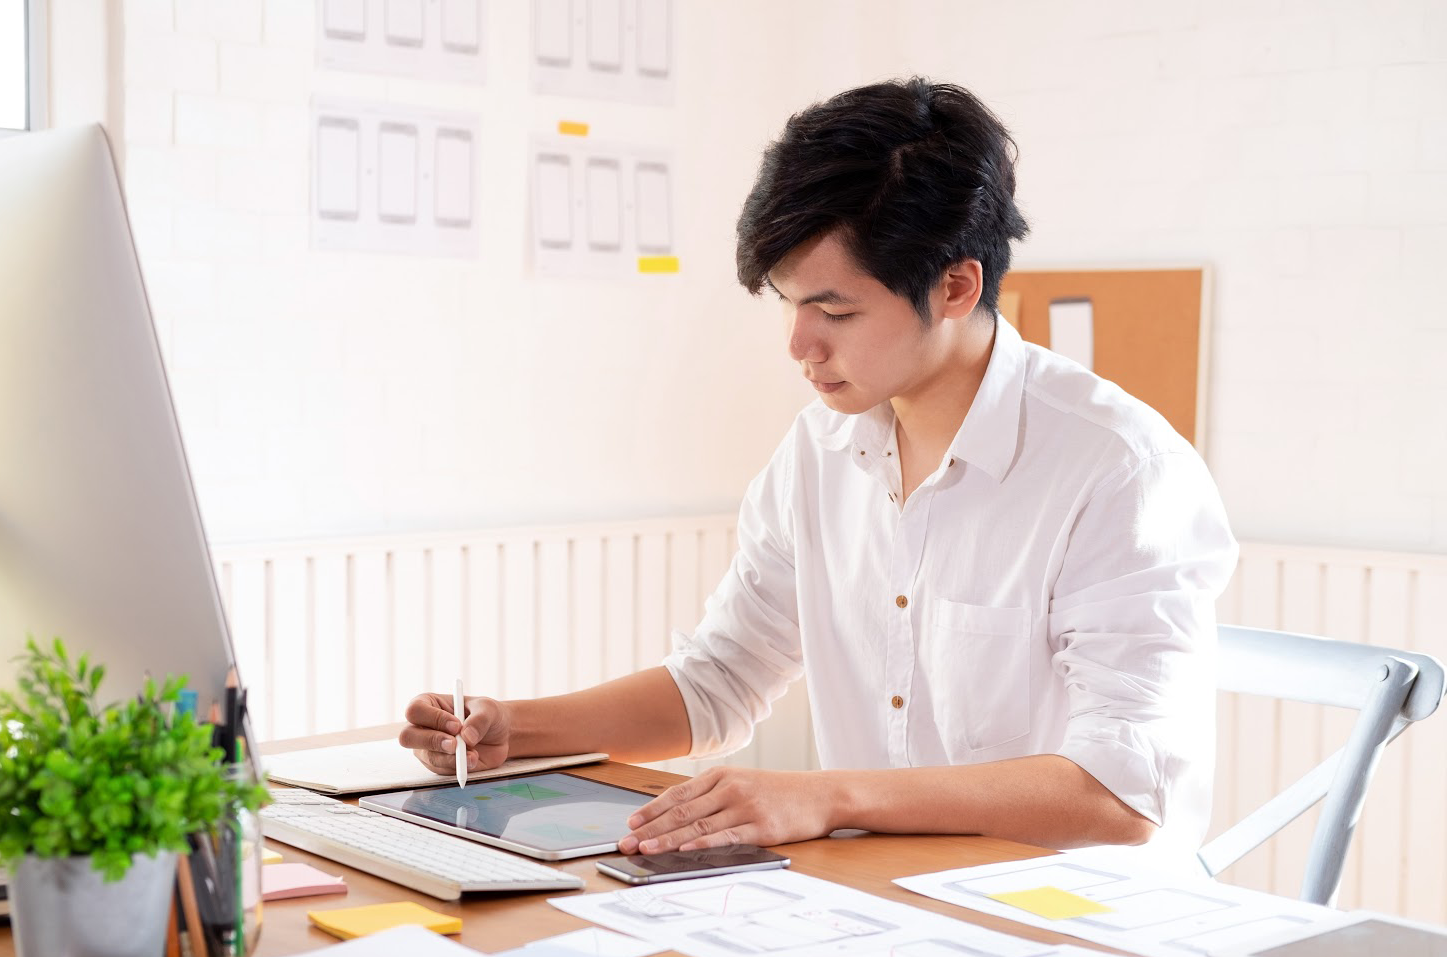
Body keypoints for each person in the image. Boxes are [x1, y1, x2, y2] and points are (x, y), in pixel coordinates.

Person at [402, 77, 1237, 860]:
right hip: (877, 911)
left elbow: (1121, 796)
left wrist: (829, 798)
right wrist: (514, 726)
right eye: (791, 305)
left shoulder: (1118, 470)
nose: (800, 346)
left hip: (1069, 933)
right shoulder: (822, 449)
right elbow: (718, 681)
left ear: (954, 286)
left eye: (834, 310)